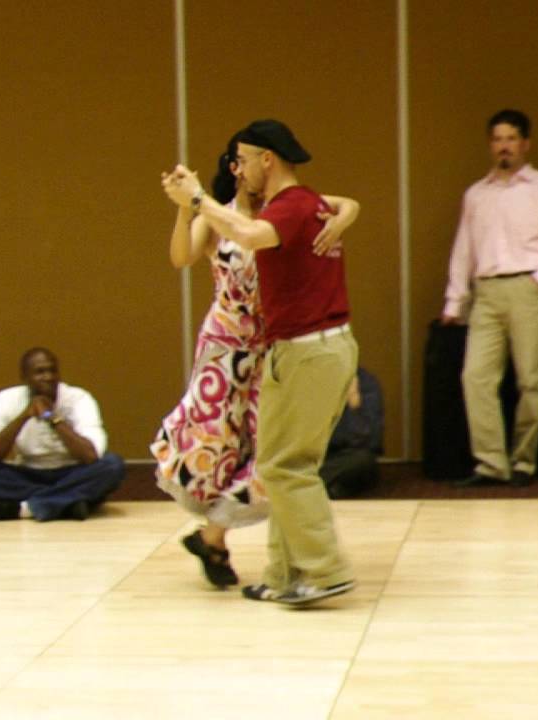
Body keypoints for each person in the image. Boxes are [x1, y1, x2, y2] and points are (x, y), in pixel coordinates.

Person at [162, 119, 359, 606]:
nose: (239, 169)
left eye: (244, 160)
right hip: (255, 348)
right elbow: (187, 253)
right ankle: (282, 572)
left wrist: (195, 198)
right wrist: (191, 207)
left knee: (282, 467)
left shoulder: (287, 208)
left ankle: (322, 569)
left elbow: (251, 235)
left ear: (265, 160)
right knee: (272, 461)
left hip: (295, 349)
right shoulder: (294, 205)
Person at [441, 109, 538, 488]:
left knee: (530, 379)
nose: (504, 146)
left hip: (529, 289)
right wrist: (455, 301)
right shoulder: (476, 194)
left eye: (511, 138)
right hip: (487, 291)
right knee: (476, 377)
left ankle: (524, 461)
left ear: (525, 144)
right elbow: (464, 250)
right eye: (497, 139)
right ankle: (491, 463)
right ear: (490, 145)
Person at [0, 347, 124, 521]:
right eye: (40, 372)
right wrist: (24, 416)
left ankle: (23, 509)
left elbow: (91, 455)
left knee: (112, 466)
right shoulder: (5, 399)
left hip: (72, 472)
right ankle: (65, 502)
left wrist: (53, 418)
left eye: (53, 371)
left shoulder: (79, 399)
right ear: (24, 377)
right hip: (26, 474)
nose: (49, 377)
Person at [321, 367, 383, 499]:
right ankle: (326, 489)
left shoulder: (365, 383)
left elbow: (371, 441)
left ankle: (309, 487)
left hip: (344, 455)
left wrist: (353, 405)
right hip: (312, 455)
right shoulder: (308, 380)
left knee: (363, 461)